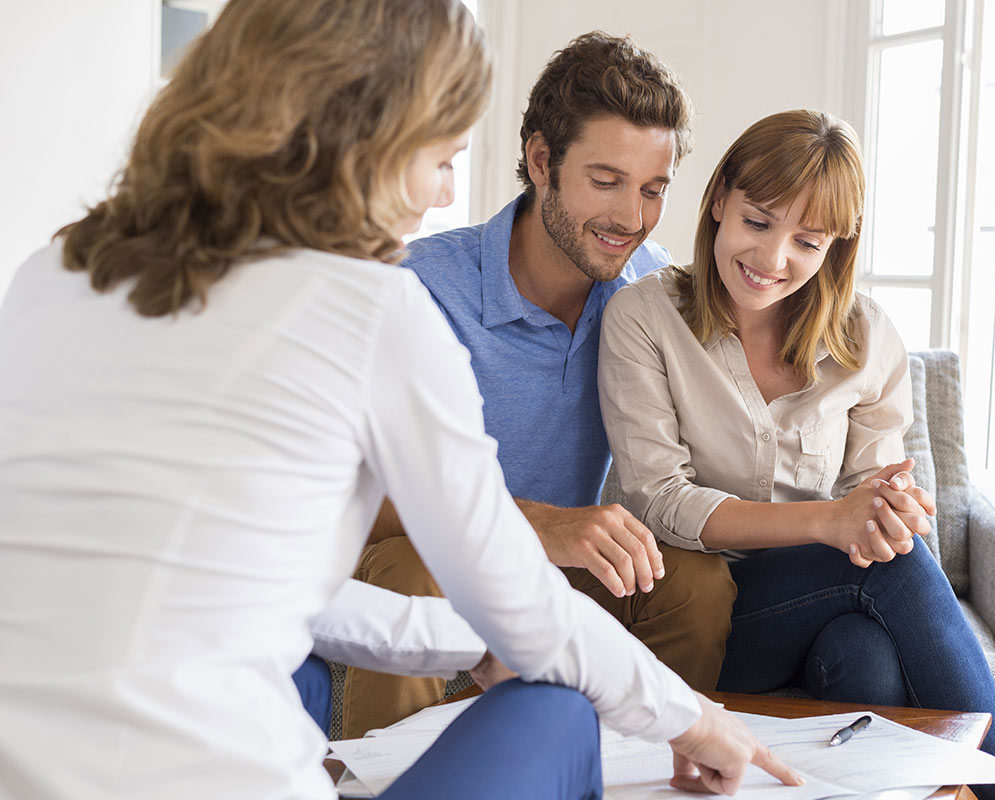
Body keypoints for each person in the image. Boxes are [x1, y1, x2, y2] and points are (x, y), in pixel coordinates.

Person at [0, 2, 802, 798]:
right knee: (556, 712)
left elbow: (266, 589)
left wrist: (461, 642)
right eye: (441, 156)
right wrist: (694, 721)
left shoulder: (56, 271)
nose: (439, 192)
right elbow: (518, 604)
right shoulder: (375, 307)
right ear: (363, 144)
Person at [598, 109, 995, 800]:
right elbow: (660, 499)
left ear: (837, 245)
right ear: (719, 199)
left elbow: (873, 491)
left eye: (806, 241)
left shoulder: (866, 337)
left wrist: (890, 510)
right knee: (883, 573)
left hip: (821, 610)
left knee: (863, 656)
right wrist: (832, 522)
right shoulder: (643, 317)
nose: (772, 260)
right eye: (757, 222)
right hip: (697, 612)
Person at [339, 31, 736, 739]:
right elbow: (352, 500)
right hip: (437, 562)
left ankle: (642, 772)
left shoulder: (648, 288)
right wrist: (542, 523)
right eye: (606, 180)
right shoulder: (422, 288)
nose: (630, 218)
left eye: (653, 190)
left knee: (696, 585)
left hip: (562, 569)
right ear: (540, 161)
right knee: (409, 570)